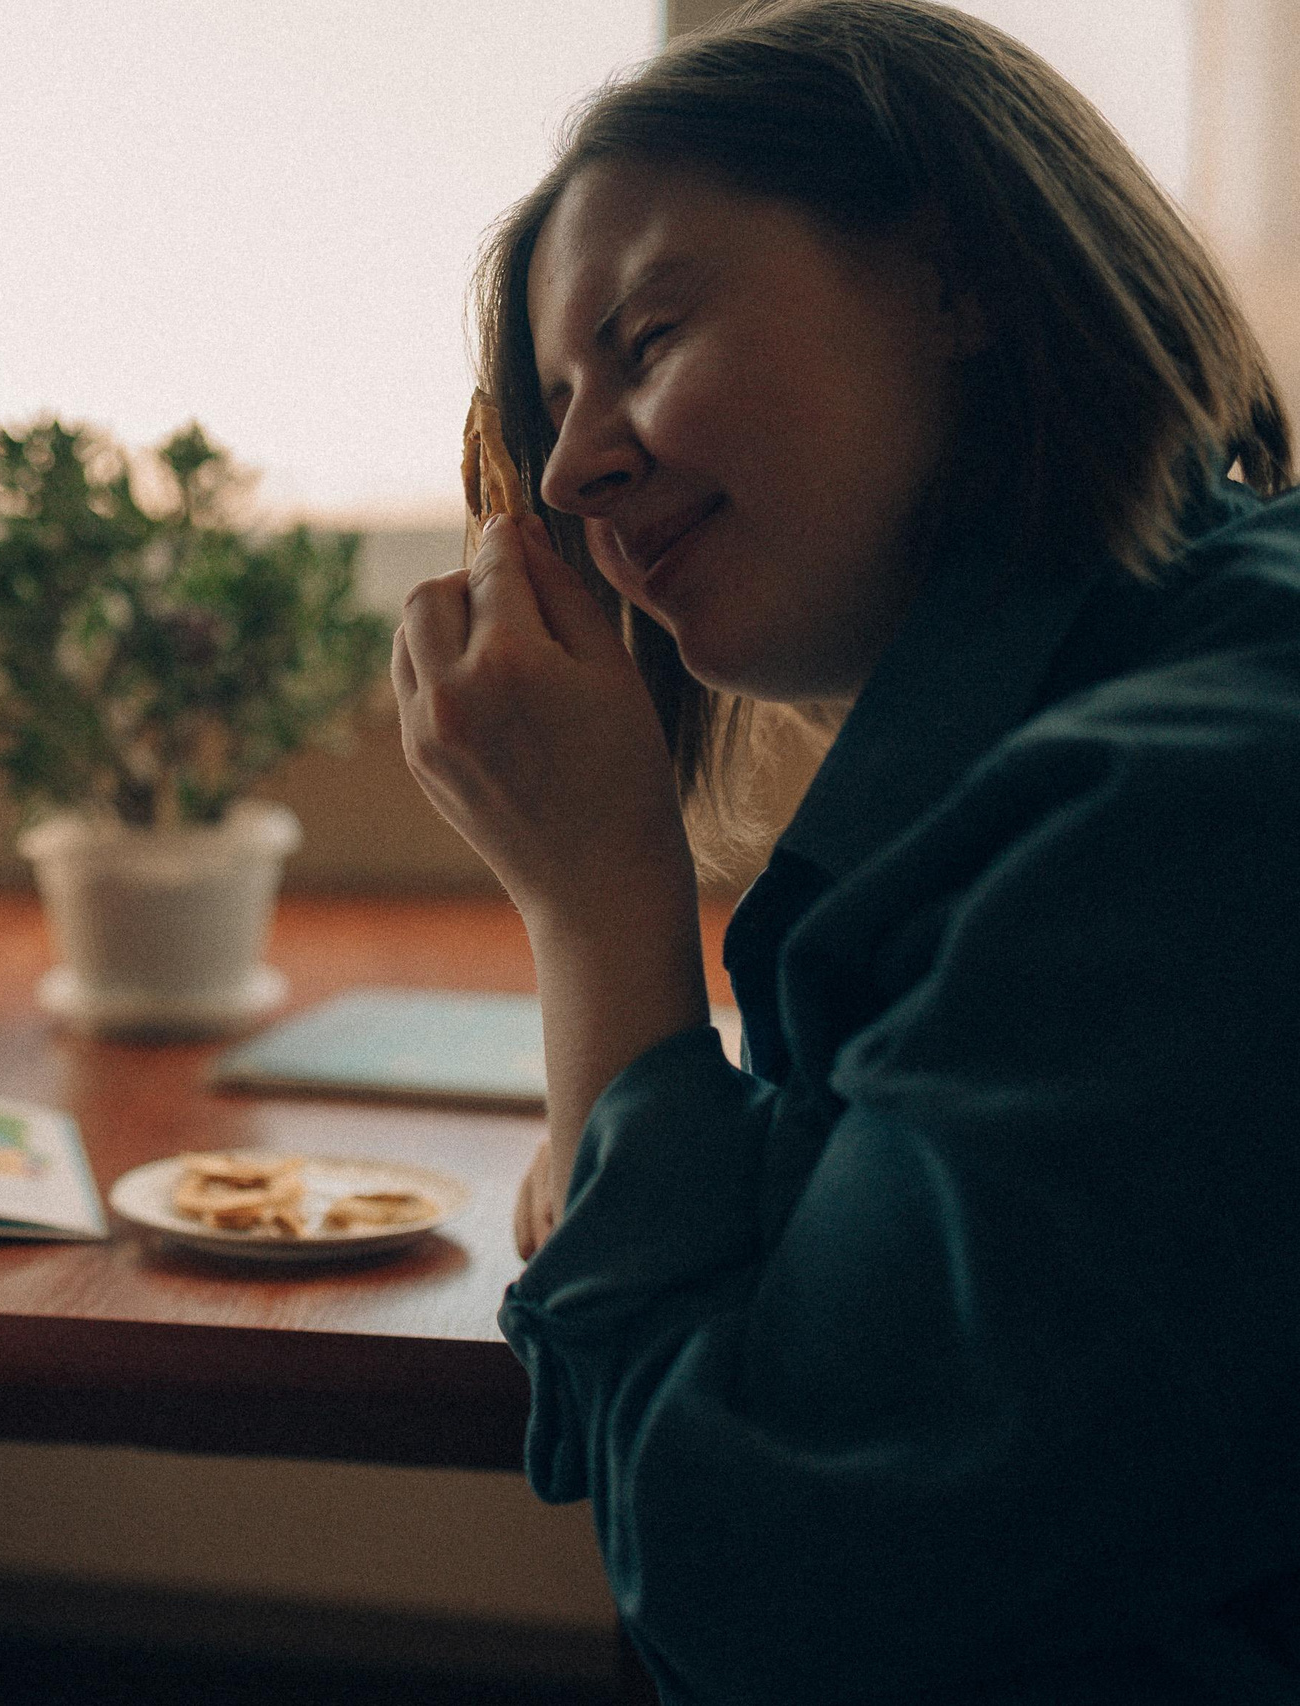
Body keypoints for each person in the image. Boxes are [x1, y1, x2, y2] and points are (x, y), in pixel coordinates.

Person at [392, 1, 1300, 1700]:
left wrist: (598, 914)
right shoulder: (1074, 732)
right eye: (560, 398)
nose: (578, 466)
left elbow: (750, 1590)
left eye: (646, 338)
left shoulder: (1184, 803)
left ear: (959, 277)